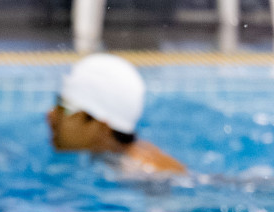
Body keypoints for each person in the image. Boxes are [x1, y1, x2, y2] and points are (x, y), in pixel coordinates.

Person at [48, 53, 184, 175]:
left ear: (102, 128)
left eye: (64, 109)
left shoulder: (141, 174)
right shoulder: (112, 155)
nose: (50, 114)